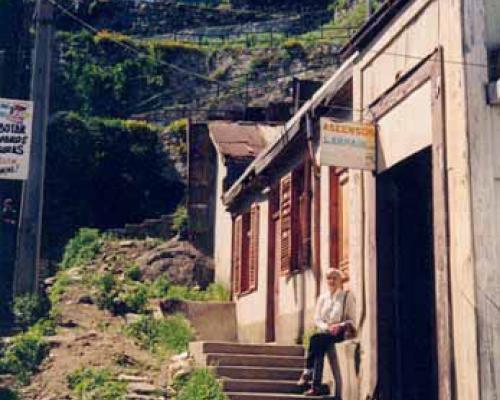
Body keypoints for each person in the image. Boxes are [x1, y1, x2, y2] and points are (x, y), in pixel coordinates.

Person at [298, 269, 356, 396]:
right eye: (329, 278)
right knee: (319, 346)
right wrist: (325, 327)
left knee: (315, 339)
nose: (331, 281)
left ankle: (308, 372)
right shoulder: (323, 298)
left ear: (340, 280)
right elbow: (317, 318)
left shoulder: (346, 296)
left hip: (339, 333)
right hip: (324, 332)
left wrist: (339, 325)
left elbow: (352, 319)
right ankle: (315, 386)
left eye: (334, 278)